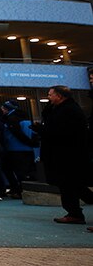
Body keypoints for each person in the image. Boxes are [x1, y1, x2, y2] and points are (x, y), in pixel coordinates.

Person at [38, 85, 93, 224]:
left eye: (51, 94)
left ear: (59, 96)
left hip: (67, 156)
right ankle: (74, 213)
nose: (48, 97)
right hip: (62, 155)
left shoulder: (69, 111)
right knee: (71, 185)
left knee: (71, 185)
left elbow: (61, 132)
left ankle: (75, 213)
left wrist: (42, 130)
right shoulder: (58, 110)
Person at [0, 100, 37, 199]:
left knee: (13, 170)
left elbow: (17, 133)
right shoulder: (26, 117)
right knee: (25, 171)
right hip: (27, 149)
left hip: (14, 148)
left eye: (3, 108)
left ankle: (19, 190)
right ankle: (23, 189)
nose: (2, 109)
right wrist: (31, 143)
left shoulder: (11, 119)